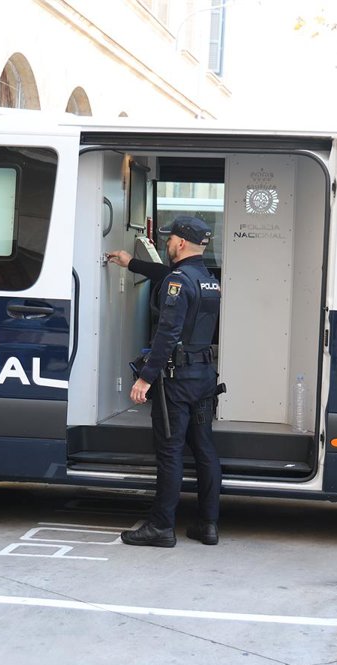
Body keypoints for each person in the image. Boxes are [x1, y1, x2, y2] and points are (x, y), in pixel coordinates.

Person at [105, 216, 222, 547]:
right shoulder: (207, 280)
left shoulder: (179, 282)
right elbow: (169, 276)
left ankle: (161, 527)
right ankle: (208, 524)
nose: (167, 243)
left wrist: (145, 378)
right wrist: (132, 263)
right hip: (203, 377)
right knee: (204, 449)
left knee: (170, 452)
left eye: (170, 239)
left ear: (181, 243)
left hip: (177, 380)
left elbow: (167, 334)